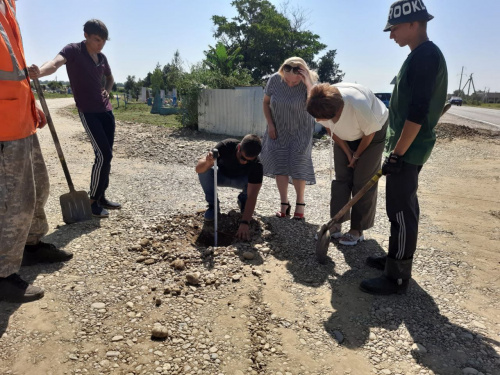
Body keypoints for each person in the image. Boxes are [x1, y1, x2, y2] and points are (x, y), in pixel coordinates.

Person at [360, 0, 448, 295]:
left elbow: (417, 113)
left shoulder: (425, 57)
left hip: (408, 149)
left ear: (413, 24)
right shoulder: (419, 55)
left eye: (394, 28)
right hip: (407, 147)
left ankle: (397, 276)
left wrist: (397, 153)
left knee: (400, 211)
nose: (390, 34)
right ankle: (394, 258)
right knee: (402, 208)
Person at [0, 0, 72, 303]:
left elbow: (11, 70)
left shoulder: (7, 7)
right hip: (4, 128)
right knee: (14, 203)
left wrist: (30, 107)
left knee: (39, 187)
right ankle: (3, 275)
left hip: (21, 120)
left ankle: (30, 245)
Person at [28, 19, 120, 218]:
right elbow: (55, 64)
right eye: (97, 40)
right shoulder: (73, 51)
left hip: (106, 112)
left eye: (104, 41)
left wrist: (107, 89)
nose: (100, 44)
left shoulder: (102, 57)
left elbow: (111, 78)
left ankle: (102, 195)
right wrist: (39, 72)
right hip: (88, 112)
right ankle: (93, 202)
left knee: (107, 156)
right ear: (86, 35)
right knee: (103, 155)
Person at [306, 82, 389, 245]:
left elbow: (370, 132)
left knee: (363, 180)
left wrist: (357, 156)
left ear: (338, 111)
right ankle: (335, 224)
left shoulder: (357, 104)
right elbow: (330, 130)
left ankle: (357, 229)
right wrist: (347, 152)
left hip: (373, 132)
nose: (317, 120)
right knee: (342, 177)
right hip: (345, 135)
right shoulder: (319, 104)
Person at [260, 57, 318, 220]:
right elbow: (265, 103)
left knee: (299, 164)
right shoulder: (274, 80)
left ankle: (300, 204)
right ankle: (284, 204)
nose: (290, 84)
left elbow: (314, 105)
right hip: (278, 129)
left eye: (294, 82)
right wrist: (270, 124)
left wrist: (307, 83)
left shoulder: (310, 82)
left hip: (301, 130)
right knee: (281, 165)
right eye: (287, 80)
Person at [196, 135, 263, 241]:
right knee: (206, 170)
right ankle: (213, 207)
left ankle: (243, 203)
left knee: (253, 184)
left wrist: (245, 222)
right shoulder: (226, 146)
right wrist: (208, 163)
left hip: (240, 181)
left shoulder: (257, 164)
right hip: (221, 176)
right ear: (239, 148)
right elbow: (198, 169)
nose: (244, 162)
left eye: (249, 161)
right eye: (242, 158)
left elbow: (253, 195)